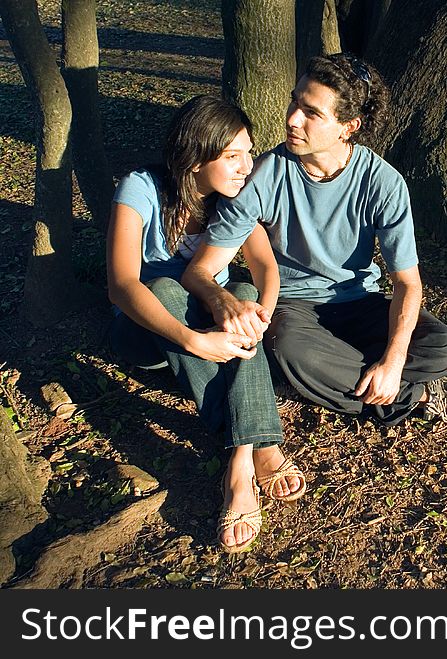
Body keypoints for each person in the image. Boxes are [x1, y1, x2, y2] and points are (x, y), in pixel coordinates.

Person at [183, 54, 447, 428]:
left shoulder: (383, 182)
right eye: (294, 101)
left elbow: (407, 283)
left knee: (441, 346)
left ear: (348, 126)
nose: (291, 118)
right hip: (294, 310)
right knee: (289, 347)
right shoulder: (263, 177)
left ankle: (333, 379)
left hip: (360, 303)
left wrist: (394, 360)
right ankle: (420, 395)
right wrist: (222, 300)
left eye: (311, 113)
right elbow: (200, 271)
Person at [106, 95, 306, 554]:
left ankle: (240, 459)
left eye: (249, 153)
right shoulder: (142, 187)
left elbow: (264, 269)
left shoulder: (232, 200)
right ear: (195, 157)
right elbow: (121, 286)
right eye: (232, 155)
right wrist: (194, 342)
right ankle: (258, 445)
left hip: (212, 330)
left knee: (248, 297)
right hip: (150, 335)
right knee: (166, 288)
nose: (246, 166)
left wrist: (260, 317)